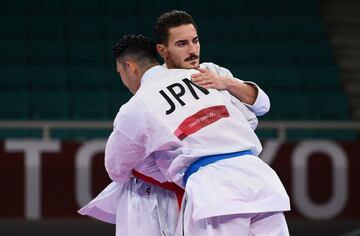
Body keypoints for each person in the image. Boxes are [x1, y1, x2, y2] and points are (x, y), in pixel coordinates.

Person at [105, 34, 290, 236]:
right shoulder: (202, 76)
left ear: (130, 67)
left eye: (119, 72)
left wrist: (161, 166)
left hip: (215, 191)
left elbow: (117, 167)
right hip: (261, 180)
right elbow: (250, 118)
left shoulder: (136, 105)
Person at [154, 10, 269, 117]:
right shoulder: (157, 88)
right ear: (162, 50)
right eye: (182, 44)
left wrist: (226, 82)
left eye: (195, 41)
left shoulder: (212, 70)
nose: (193, 50)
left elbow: (263, 106)